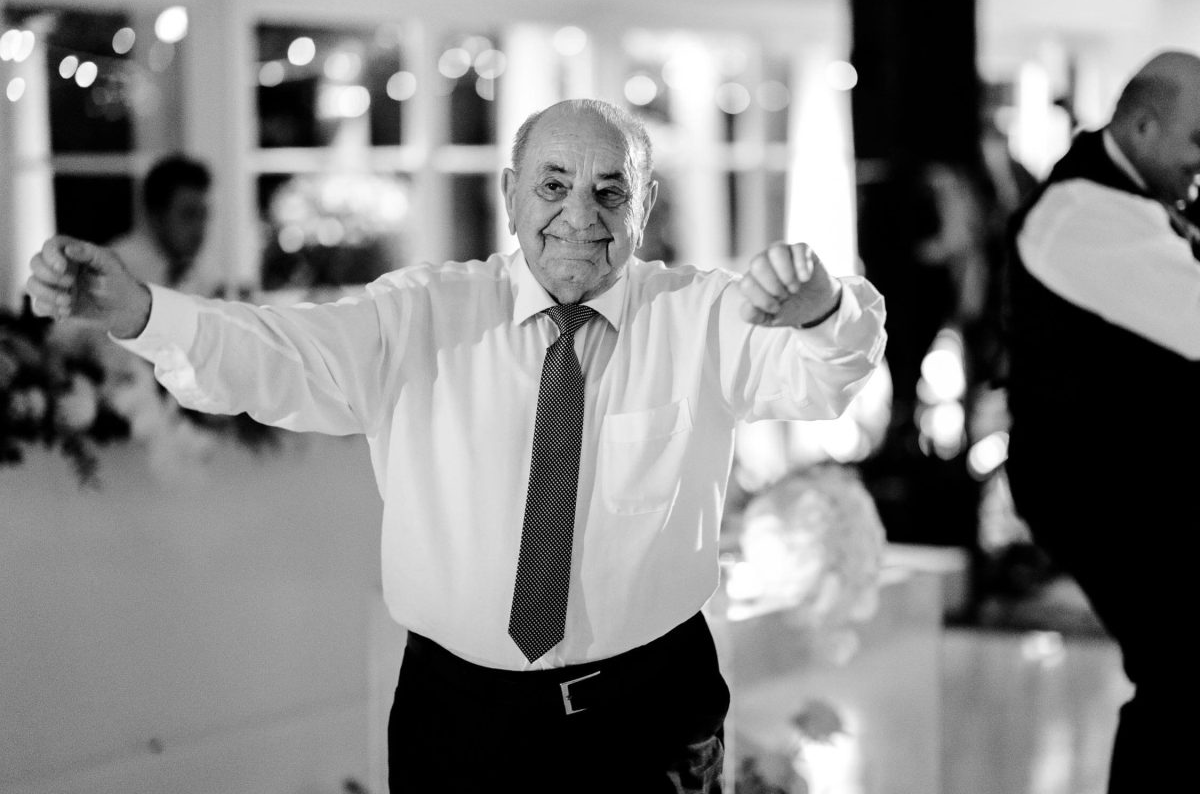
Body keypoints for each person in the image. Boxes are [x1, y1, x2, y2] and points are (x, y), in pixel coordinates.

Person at [25, 98, 887, 793]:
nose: (579, 215)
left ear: (646, 204)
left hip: (652, 716)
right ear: (510, 193)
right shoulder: (422, 315)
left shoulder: (701, 317)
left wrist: (819, 310)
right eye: (553, 185)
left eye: (610, 191)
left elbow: (828, 376)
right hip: (460, 717)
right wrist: (142, 314)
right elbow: (277, 356)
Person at [1004, 50, 1200, 793]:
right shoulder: (1080, 213)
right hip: (1097, 484)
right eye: (1197, 140)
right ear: (1143, 127)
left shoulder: (1139, 196)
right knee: (1182, 670)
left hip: (1148, 472)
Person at [107, 153, 216, 295]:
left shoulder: (198, 274)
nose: (199, 227)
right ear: (157, 217)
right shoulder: (117, 268)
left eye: (203, 215)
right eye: (188, 214)